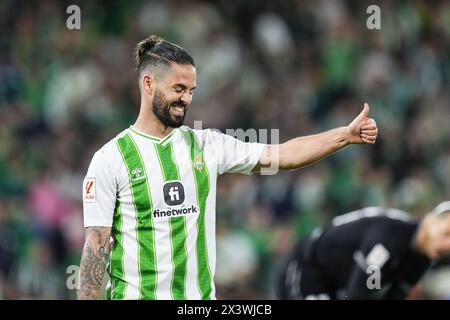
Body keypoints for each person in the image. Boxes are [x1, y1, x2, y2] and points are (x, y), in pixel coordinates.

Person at [78, 35, 378, 300]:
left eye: (192, 90)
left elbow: (283, 155)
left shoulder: (207, 145)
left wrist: (345, 136)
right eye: (179, 88)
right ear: (148, 83)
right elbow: (96, 246)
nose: (186, 99)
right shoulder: (111, 159)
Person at [276, 202, 450, 300]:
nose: (448, 245)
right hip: (304, 270)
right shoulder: (393, 235)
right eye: (447, 233)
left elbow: (394, 296)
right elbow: (359, 291)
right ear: (431, 220)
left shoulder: (422, 259)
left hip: (334, 286)